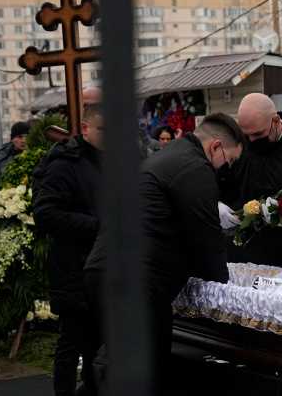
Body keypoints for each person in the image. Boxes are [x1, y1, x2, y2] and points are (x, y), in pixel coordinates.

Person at [84, 112, 243, 396]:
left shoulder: (169, 155)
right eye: (227, 161)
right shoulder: (196, 168)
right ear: (216, 147)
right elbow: (205, 238)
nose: (223, 168)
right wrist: (223, 283)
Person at [33, 103, 104, 396]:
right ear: (85, 128)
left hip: (100, 266)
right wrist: (98, 225)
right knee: (71, 343)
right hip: (72, 268)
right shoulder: (63, 162)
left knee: (96, 345)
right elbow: (45, 213)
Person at [219, 93, 282, 266]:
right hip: (248, 250)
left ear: (275, 121)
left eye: (258, 134)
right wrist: (216, 203)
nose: (252, 141)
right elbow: (223, 179)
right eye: (247, 135)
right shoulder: (241, 145)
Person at [0, 121, 29, 187]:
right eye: (20, 137)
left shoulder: (35, 155)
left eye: (26, 137)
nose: (23, 140)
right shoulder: (0, 157)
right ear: (12, 139)